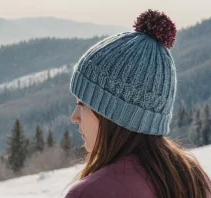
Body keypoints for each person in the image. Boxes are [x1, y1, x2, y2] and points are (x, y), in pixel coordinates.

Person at [65, 9, 211, 198]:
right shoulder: (194, 179)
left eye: (82, 104)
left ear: (113, 113)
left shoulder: (92, 192)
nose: (74, 117)